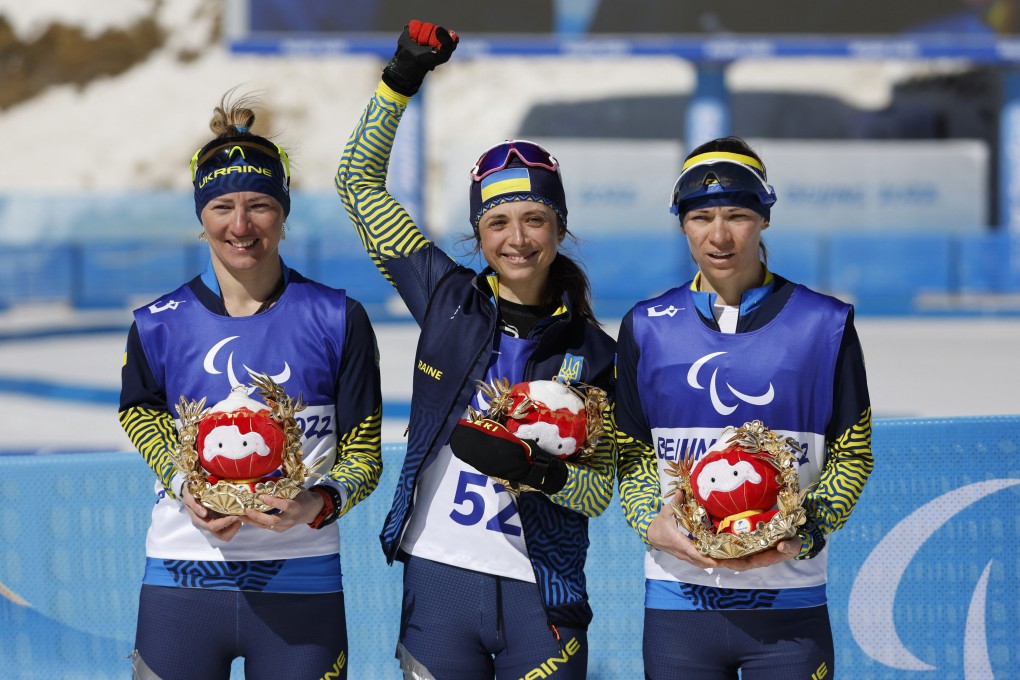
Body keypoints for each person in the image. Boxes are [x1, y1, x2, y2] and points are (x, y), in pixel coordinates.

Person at [335, 20, 617, 680]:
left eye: (534, 218)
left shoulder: (596, 351)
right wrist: (400, 79)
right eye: (497, 222)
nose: (517, 238)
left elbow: (603, 493)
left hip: (542, 594)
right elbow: (358, 186)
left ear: (559, 226)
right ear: (478, 233)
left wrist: (540, 472)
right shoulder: (445, 296)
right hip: (440, 583)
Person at [118, 91, 383, 680]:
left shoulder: (338, 317)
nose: (241, 226)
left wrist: (319, 504)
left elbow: (364, 453)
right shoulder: (157, 322)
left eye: (260, 205)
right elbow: (141, 416)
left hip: (303, 583)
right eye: (222, 207)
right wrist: (186, 484)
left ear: (284, 213)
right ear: (200, 216)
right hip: (182, 579)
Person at [615, 137, 874, 679]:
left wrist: (807, 532)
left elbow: (853, 454)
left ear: (764, 218)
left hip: (790, 610)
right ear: (681, 223)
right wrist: (650, 523)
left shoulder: (823, 324)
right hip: (678, 606)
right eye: (701, 216)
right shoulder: (645, 325)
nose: (719, 234)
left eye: (737, 215)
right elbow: (633, 453)